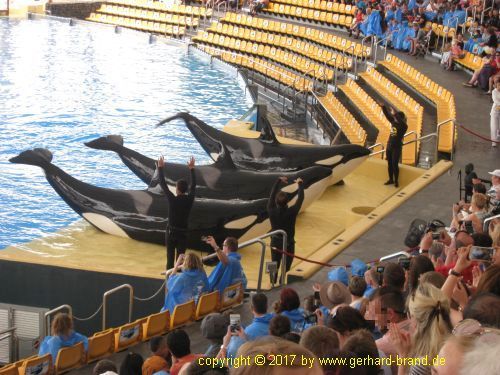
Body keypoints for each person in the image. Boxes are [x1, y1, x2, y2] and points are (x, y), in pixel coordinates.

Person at [157, 155, 196, 270]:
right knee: (180, 261)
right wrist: (192, 169)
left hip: (171, 232)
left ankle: (169, 283)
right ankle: (178, 282)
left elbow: (163, 184)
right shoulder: (189, 199)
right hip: (183, 235)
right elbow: (194, 186)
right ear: (185, 190)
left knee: (170, 259)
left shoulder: (172, 199)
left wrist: (160, 168)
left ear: (177, 189)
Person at [267, 176, 304, 282]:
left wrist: (278, 181)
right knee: (286, 266)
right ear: (288, 202)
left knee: (273, 263)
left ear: (276, 202)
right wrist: (300, 184)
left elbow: (271, 195)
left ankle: (271, 282)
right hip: (289, 243)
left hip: (275, 242)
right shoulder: (292, 211)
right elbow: (300, 199)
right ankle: (282, 280)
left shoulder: (271, 210)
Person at [381, 104, 408, 187]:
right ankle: (391, 179)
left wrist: (395, 113)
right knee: (389, 163)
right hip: (389, 146)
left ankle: (396, 181)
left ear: (401, 119)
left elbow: (399, 120)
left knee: (394, 164)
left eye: (397, 118)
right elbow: (387, 116)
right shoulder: (393, 122)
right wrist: (383, 107)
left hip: (397, 147)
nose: (395, 119)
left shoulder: (404, 126)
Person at [491, 80, 500, 147]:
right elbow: (496, 101)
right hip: (495, 111)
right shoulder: (494, 92)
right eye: (499, 85)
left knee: (499, 127)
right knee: (494, 126)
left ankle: (498, 136)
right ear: (496, 85)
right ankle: (494, 141)